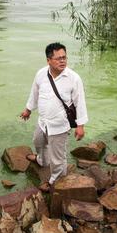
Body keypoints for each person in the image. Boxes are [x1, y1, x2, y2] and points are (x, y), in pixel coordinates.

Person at [20, 42, 88, 192]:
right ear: (48, 60)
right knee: (38, 141)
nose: (62, 61)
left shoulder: (73, 78)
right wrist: (28, 110)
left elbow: (80, 102)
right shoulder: (41, 74)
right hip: (43, 122)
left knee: (58, 158)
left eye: (64, 57)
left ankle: (55, 180)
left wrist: (80, 126)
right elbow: (35, 93)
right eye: (58, 58)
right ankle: (42, 160)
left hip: (59, 126)